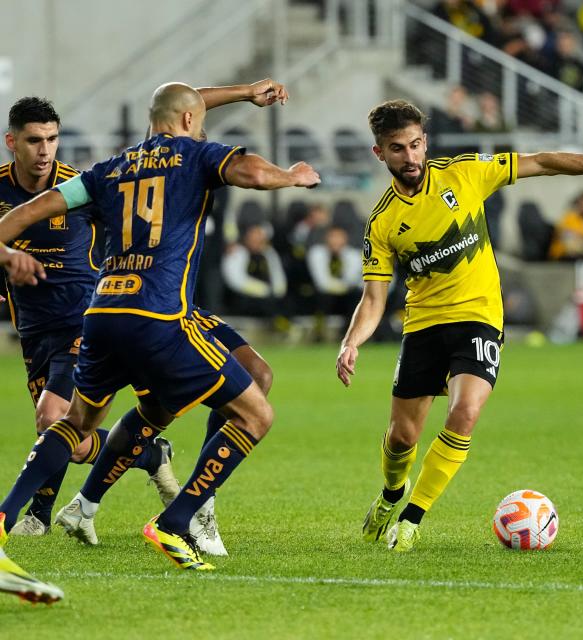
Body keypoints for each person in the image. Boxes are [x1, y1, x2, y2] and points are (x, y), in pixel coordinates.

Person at [0, 81, 319, 586]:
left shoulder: (105, 171)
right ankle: (177, 519)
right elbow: (249, 171)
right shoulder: (196, 155)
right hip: (160, 317)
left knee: (77, 421)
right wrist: (291, 176)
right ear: (190, 122)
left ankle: (8, 514)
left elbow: (21, 216)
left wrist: (6, 249)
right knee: (257, 409)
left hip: (100, 315)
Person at [336, 99, 583, 552]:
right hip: (424, 324)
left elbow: (543, 161)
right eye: (397, 149)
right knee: (402, 436)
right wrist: (352, 342)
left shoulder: (465, 172)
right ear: (380, 154)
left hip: (480, 318)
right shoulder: (382, 221)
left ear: (425, 142)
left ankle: (411, 520)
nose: (410, 157)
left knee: (464, 412)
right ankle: (393, 493)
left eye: (415, 145)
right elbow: (373, 299)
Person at [0, 98, 179, 540]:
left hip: (84, 322)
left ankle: (36, 516)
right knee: (73, 442)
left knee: (52, 416)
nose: (45, 150)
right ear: (11, 142)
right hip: (33, 329)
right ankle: (147, 455)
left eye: (52, 139)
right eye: (34, 140)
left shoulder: (80, 188)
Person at [307, 225, 363, 325]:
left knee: (357, 295)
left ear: (346, 239)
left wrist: (343, 287)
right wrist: (340, 287)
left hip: (346, 294)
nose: (336, 241)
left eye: (339, 237)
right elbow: (322, 282)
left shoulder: (354, 255)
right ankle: (320, 331)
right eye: (333, 237)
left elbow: (351, 279)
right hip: (325, 295)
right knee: (322, 297)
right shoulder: (316, 253)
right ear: (326, 238)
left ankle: (351, 329)